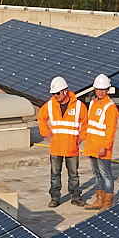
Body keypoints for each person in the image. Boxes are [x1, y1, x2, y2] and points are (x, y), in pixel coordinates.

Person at [37, 76, 83, 206]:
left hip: (71, 146)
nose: (55, 96)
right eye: (53, 94)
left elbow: (86, 122)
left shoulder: (79, 106)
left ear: (65, 91)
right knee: (55, 175)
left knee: (73, 175)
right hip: (56, 146)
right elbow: (41, 118)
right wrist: (46, 132)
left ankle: (75, 197)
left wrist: (82, 136)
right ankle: (55, 198)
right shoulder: (50, 105)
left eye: (57, 93)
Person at [79, 74, 119, 207]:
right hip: (92, 146)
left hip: (102, 147)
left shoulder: (110, 107)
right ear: (94, 89)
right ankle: (99, 200)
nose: (100, 91)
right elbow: (89, 124)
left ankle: (108, 202)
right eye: (98, 89)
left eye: (103, 89)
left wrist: (105, 146)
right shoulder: (93, 103)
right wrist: (82, 137)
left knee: (106, 174)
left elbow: (110, 130)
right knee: (97, 174)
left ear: (108, 89)